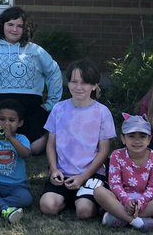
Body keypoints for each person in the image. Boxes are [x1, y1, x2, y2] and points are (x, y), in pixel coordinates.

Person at [0, 6, 64, 143]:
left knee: (32, 146)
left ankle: (44, 140)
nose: (14, 30)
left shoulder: (36, 51)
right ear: (2, 25)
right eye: (10, 24)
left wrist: (52, 103)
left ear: (25, 29)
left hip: (31, 108)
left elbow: (54, 72)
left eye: (19, 26)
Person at [40, 60, 114, 220]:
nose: (78, 87)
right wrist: (53, 169)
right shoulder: (58, 109)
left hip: (91, 174)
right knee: (47, 206)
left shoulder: (102, 112)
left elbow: (104, 150)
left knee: (84, 212)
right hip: (63, 174)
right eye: (74, 81)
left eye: (85, 82)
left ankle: (83, 198)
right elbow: (50, 144)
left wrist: (83, 177)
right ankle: (70, 197)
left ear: (94, 85)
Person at [97, 113, 153, 230]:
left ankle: (121, 218)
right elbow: (115, 184)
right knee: (99, 191)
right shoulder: (117, 155)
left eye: (142, 136)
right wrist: (126, 201)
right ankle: (141, 223)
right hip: (121, 199)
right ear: (123, 139)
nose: (137, 141)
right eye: (131, 136)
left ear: (149, 139)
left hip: (146, 202)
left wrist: (140, 203)